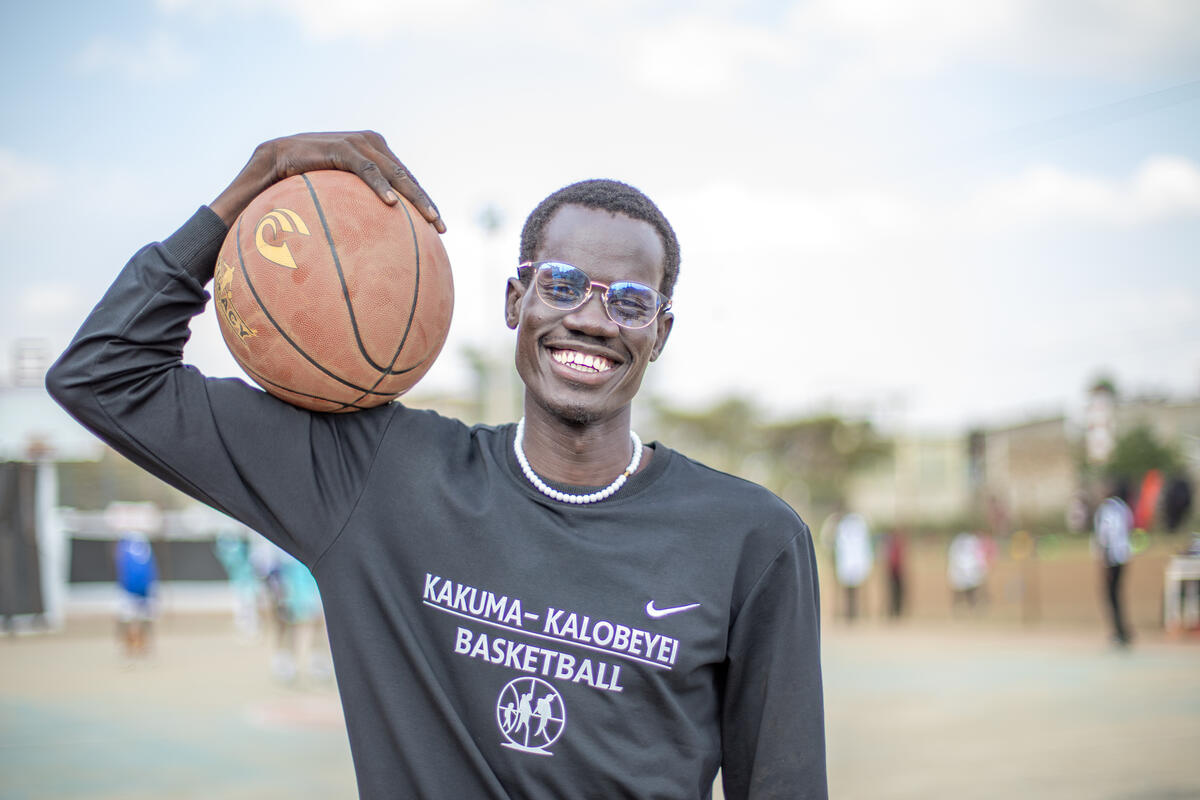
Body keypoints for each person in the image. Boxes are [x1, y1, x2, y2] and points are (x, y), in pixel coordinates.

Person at [46, 132, 826, 798]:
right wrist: (259, 178)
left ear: (660, 332)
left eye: (627, 301)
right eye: (561, 286)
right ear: (515, 300)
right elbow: (105, 375)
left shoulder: (750, 541)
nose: (590, 319)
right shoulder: (377, 477)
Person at [1093, 484, 1134, 647]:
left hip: (1112, 557)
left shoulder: (1106, 509)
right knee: (1117, 593)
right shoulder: (1123, 508)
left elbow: (1106, 534)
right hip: (1123, 555)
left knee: (1111, 595)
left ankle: (1119, 631)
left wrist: (1105, 560)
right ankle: (1122, 630)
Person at [113, 532, 158, 659]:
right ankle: (130, 645)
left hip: (138, 587)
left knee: (139, 618)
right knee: (129, 618)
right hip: (134, 588)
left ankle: (140, 645)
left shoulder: (129, 547)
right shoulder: (127, 547)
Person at [833, 511, 872, 622]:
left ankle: (854, 613)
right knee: (849, 591)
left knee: (853, 591)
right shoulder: (848, 525)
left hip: (851, 561)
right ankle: (849, 613)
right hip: (850, 562)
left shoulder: (847, 525)